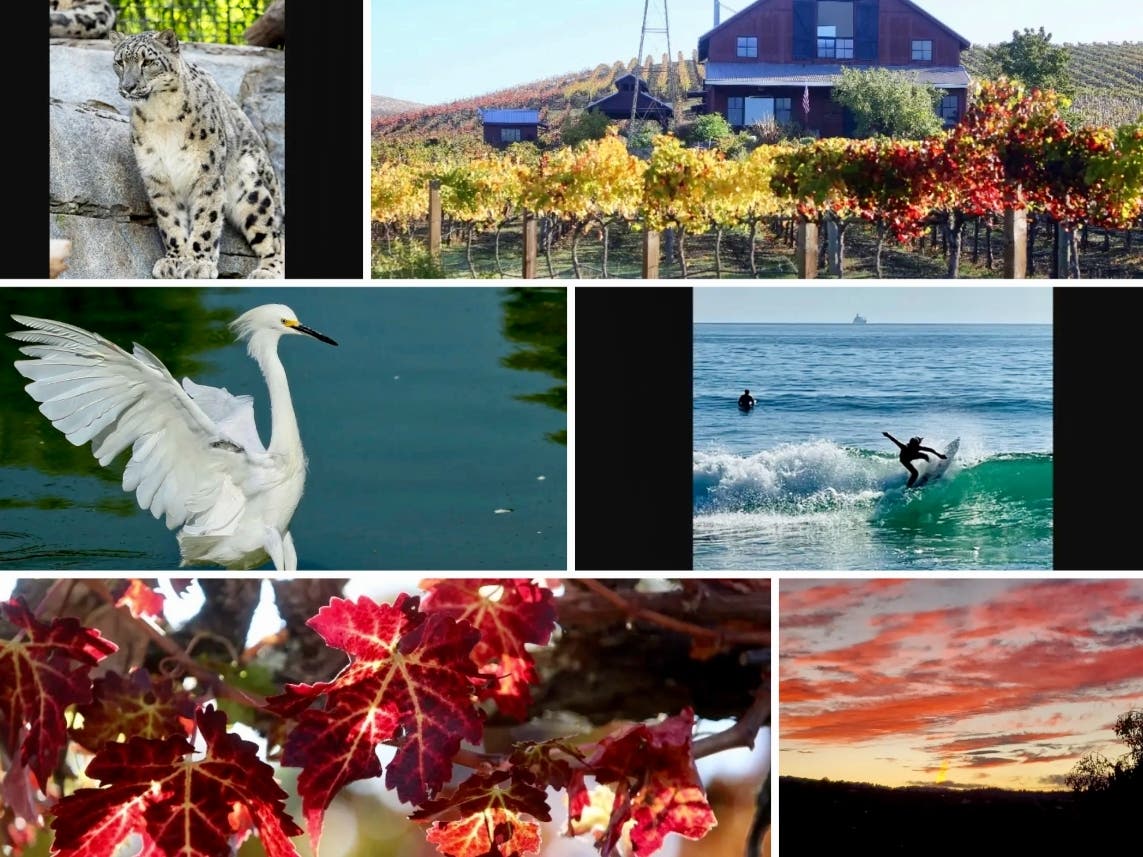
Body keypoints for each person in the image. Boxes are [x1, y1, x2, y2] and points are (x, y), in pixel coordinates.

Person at [882, 431, 946, 488]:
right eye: (913, 445)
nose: (914, 447)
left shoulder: (917, 447)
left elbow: (930, 450)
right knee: (915, 473)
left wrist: (939, 455)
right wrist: (888, 435)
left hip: (913, 456)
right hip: (904, 460)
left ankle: (932, 467)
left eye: (916, 445)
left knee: (925, 455)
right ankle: (908, 486)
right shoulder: (904, 447)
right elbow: (895, 440)